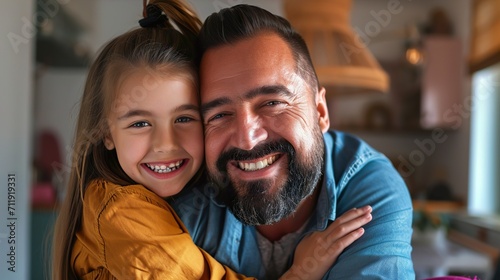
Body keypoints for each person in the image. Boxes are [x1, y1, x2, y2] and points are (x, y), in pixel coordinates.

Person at [51, 1, 373, 279]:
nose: (166, 143)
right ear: (106, 133)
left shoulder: (182, 191)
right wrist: (302, 272)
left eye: (184, 118)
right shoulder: (122, 213)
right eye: (139, 123)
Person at [171, 4, 415, 279]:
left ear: (320, 112)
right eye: (219, 115)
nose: (247, 139)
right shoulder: (186, 193)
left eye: (273, 103)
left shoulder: (370, 189)